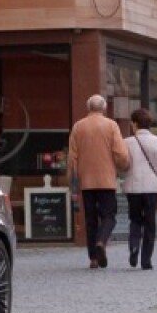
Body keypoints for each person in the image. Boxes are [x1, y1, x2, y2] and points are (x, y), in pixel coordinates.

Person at [66, 94, 130, 269]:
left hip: (86, 182)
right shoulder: (111, 125)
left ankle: (93, 258)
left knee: (90, 219)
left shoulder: (78, 127)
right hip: (106, 180)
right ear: (103, 108)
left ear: (88, 108)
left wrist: (72, 182)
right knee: (109, 216)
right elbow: (120, 153)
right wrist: (124, 165)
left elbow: (72, 158)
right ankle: (101, 241)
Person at [122, 108, 157, 270]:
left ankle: (134, 245)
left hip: (133, 187)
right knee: (150, 223)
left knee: (135, 219)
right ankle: (146, 260)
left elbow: (122, 164)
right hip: (152, 188)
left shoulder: (127, 142)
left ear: (135, 124)